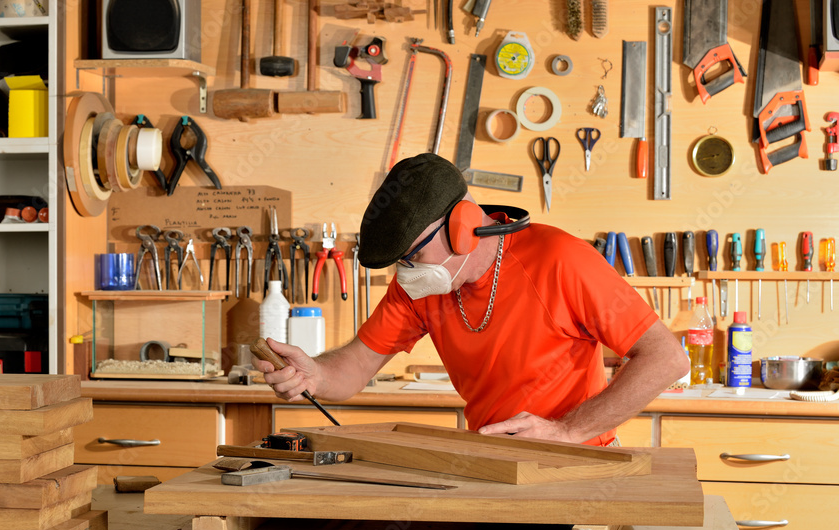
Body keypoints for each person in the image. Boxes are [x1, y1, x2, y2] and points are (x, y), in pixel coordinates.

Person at [255, 153, 688, 446]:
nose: (406, 273)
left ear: (462, 226)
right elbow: (355, 368)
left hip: (579, 460)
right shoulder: (421, 285)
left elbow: (667, 358)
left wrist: (569, 431)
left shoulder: (560, 259)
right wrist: (314, 373)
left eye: (413, 256)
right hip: (493, 460)